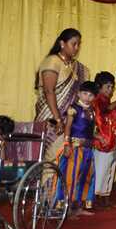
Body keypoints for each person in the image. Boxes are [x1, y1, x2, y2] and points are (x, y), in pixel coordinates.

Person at [35, 28, 89, 161]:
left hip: (70, 121)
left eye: (79, 44)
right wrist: (58, 120)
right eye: (73, 44)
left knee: (66, 162)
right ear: (62, 43)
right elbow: (49, 91)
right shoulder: (52, 61)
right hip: (51, 119)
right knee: (49, 160)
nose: (77, 48)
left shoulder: (79, 68)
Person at [59, 80, 98, 217]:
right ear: (79, 94)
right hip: (75, 149)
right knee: (72, 177)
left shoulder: (92, 111)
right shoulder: (74, 109)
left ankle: (79, 206)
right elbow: (68, 128)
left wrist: (98, 137)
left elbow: (90, 130)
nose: (87, 97)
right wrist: (66, 144)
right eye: (85, 94)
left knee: (86, 177)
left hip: (88, 149)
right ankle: (68, 208)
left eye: (91, 95)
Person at [92, 71, 116, 209]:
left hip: (110, 140)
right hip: (102, 142)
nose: (110, 90)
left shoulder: (106, 100)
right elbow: (108, 109)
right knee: (101, 171)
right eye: (108, 87)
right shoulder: (98, 100)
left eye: (112, 87)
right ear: (99, 87)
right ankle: (94, 200)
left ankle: (105, 199)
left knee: (109, 170)